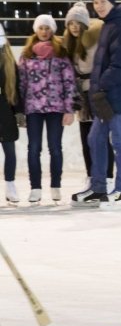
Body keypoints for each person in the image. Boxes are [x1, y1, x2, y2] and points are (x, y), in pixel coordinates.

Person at [71, 0, 121, 208]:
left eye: (103, 2)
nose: (99, 6)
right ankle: (98, 187)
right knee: (95, 138)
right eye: (96, 2)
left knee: (119, 141)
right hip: (105, 95)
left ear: (112, 3)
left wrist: (101, 86)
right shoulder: (108, 24)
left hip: (116, 95)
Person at [17, 15, 77, 204]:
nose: (44, 32)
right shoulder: (26, 54)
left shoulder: (61, 53)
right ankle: (35, 187)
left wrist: (70, 109)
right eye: (41, 28)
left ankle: (55, 186)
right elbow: (21, 84)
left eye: (48, 28)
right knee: (33, 148)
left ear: (52, 30)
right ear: (36, 30)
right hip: (33, 108)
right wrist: (19, 110)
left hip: (56, 107)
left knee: (55, 148)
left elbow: (69, 82)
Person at [63, 1, 114, 190]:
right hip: (81, 96)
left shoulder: (95, 41)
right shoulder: (68, 44)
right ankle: (91, 176)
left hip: (97, 94)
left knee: (101, 137)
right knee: (86, 138)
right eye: (71, 23)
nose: (74, 27)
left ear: (84, 24)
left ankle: (108, 176)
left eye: (78, 23)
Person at [0, 25, 20, 204]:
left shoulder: (9, 61)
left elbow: (17, 89)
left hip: (5, 112)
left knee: (10, 151)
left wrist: (19, 113)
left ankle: (10, 185)